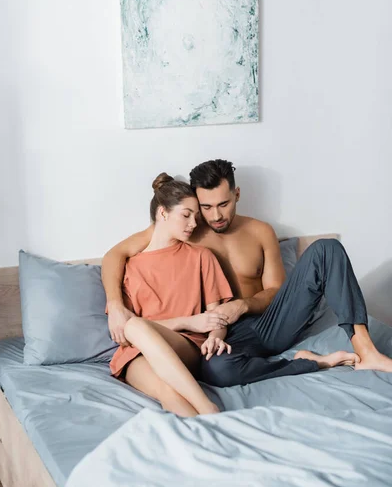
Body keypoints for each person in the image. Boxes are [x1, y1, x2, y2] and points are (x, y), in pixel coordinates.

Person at [103, 160, 392, 389]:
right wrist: (116, 305)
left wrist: (242, 304)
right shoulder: (187, 230)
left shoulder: (260, 231)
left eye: (223, 204)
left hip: (271, 321)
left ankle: (366, 351)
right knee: (218, 370)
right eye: (206, 207)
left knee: (327, 249)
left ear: (237, 194)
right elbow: (115, 255)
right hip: (228, 333)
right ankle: (309, 362)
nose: (215, 216)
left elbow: (275, 291)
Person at [109, 172, 234, 417]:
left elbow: (216, 317)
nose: (194, 223)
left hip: (185, 345)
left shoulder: (201, 257)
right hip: (135, 354)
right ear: (163, 213)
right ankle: (209, 437)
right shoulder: (131, 266)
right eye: (186, 215)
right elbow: (126, 332)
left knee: (136, 326)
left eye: (196, 216)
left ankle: (207, 407)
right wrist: (187, 321)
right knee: (167, 391)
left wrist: (215, 337)